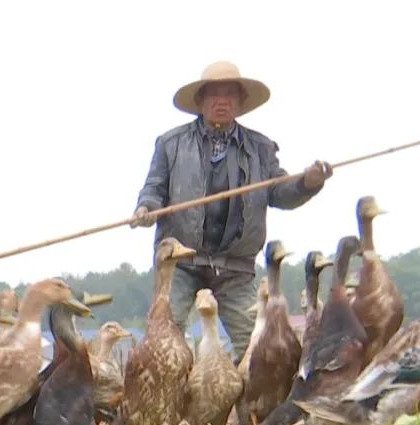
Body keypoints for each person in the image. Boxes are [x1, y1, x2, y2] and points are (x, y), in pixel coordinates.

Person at [130, 61, 332, 360]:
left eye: (228, 95)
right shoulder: (171, 144)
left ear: (240, 103)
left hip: (236, 268)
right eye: (213, 94)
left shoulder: (261, 148)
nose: (221, 101)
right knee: (162, 348)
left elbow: (279, 192)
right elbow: (155, 188)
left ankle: (249, 407)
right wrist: (146, 208)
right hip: (180, 265)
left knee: (262, 352)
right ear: (200, 101)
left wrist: (307, 183)